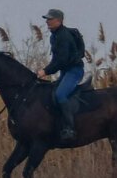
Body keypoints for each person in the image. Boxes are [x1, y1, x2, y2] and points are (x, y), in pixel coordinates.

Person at [36, 8, 84, 140]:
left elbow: (62, 60)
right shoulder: (54, 35)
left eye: (50, 19)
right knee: (51, 92)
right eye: (47, 19)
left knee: (60, 94)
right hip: (65, 71)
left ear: (59, 21)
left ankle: (70, 128)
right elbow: (56, 60)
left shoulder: (63, 36)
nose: (47, 22)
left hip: (74, 71)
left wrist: (46, 71)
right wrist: (47, 69)